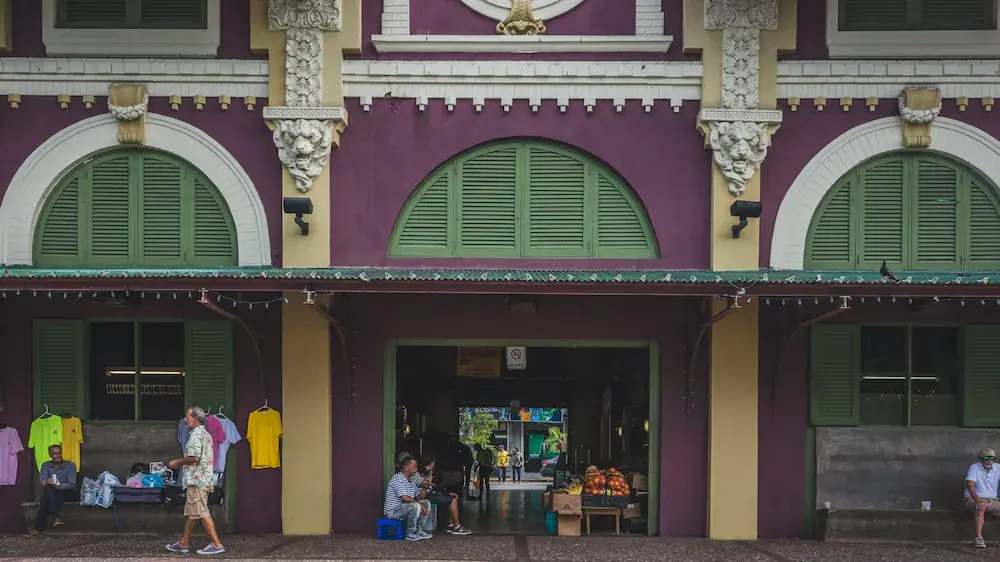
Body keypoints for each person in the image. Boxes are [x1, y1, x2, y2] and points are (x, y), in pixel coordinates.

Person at [165, 407, 225, 555]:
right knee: (192, 512)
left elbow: (194, 458)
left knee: (202, 511)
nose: (185, 420)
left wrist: (177, 463)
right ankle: (183, 543)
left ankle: (217, 544)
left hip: (197, 480)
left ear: (195, 419)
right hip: (201, 479)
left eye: (187, 417)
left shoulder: (196, 435)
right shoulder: (205, 434)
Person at [411, 454, 472, 535]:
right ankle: (457, 527)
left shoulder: (428, 472)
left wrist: (447, 493)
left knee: (451, 497)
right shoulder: (419, 475)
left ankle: (450, 525)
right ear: (431, 463)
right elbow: (423, 493)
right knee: (452, 501)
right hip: (425, 496)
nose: (416, 468)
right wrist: (426, 484)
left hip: (430, 494)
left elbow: (435, 487)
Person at [24, 445, 77, 537]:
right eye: (55, 454)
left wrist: (57, 486)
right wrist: (48, 482)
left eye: (60, 453)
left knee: (47, 496)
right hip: (53, 492)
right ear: (50, 455)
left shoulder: (70, 465)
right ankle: (56, 517)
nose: (58, 456)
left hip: (68, 492)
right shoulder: (46, 465)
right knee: (48, 492)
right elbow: (43, 481)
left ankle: (39, 529)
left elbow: (71, 484)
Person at [385, 456, 433, 541]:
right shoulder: (397, 478)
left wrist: (425, 486)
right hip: (393, 512)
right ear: (406, 467)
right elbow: (404, 498)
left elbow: (419, 497)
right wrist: (419, 505)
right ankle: (410, 533)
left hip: (405, 508)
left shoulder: (411, 480)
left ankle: (418, 531)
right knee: (415, 505)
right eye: (414, 466)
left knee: (426, 503)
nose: (416, 469)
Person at [966, 447, 1000, 548]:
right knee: (980, 507)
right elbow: (970, 485)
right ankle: (978, 538)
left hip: (993, 500)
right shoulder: (974, 467)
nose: (989, 461)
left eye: (992, 458)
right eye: (986, 458)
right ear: (981, 458)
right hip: (973, 498)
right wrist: (978, 500)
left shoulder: (998, 467)